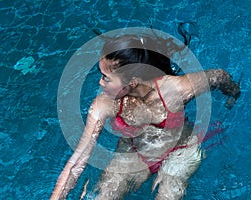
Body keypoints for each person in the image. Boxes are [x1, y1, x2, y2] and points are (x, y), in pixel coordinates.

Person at [51, 31, 240, 200]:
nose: (100, 83)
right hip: (134, 151)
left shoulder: (175, 89)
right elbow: (77, 162)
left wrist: (232, 95)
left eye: (106, 78)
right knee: (104, 195)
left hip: (179, 151)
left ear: (132, 82)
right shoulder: (103, 105)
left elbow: (218, 76)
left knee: (168, 193)